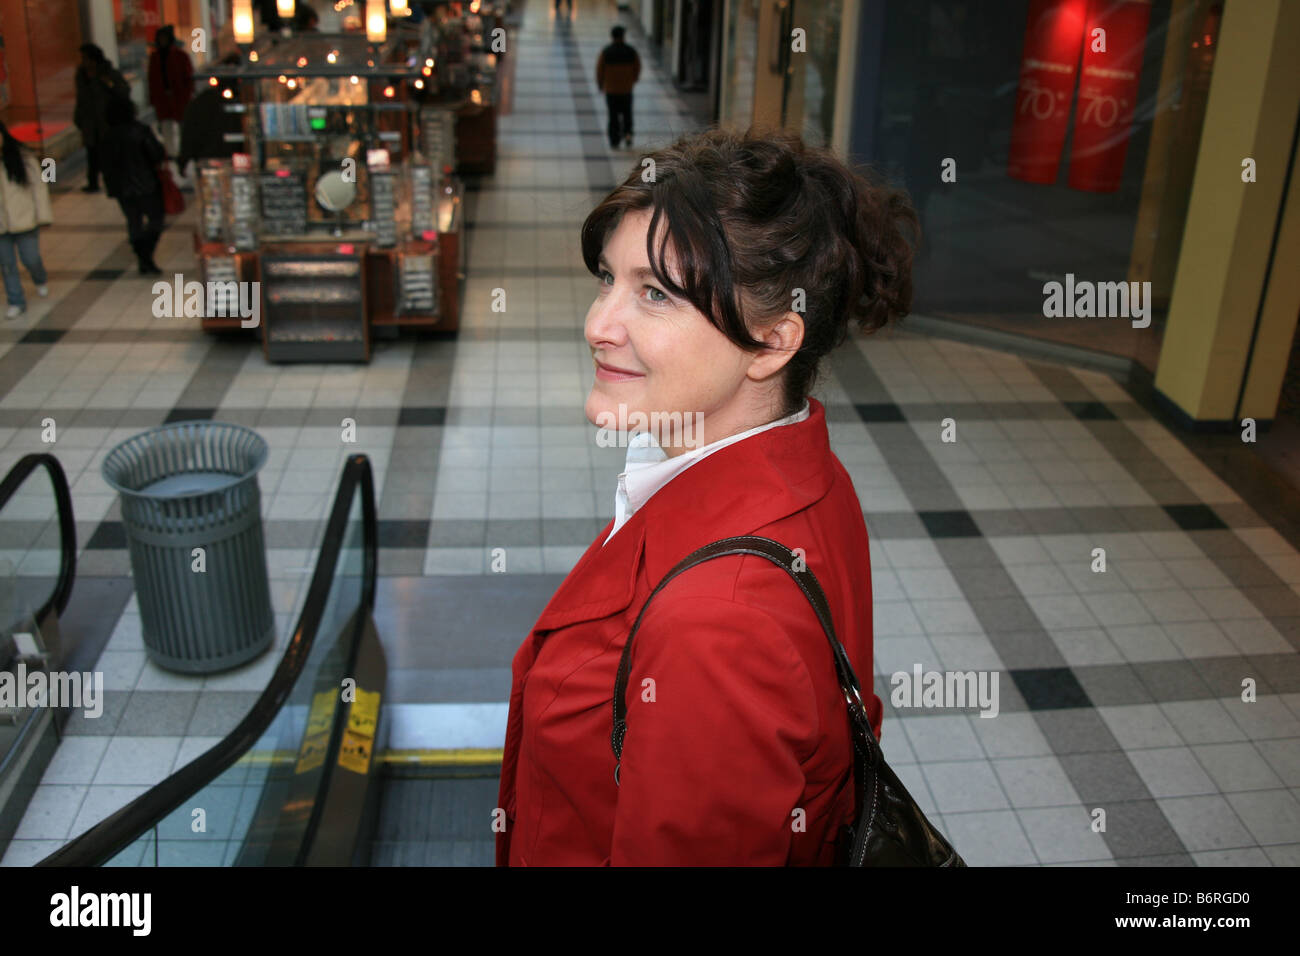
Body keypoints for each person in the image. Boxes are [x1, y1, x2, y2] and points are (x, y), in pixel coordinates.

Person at [495, 128, 919, 866]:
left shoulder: (716, 626)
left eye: (655, 294)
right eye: (608, 278)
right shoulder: (806, 470)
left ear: (773, 341)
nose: (598, 325)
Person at [99, 96, 167, 276]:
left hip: (121, 187)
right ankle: (146, 256)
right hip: (145, 184)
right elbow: (157, 153)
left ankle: (142, 257)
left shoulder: (107, 136)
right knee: (156, 219)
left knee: (133, 221)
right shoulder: (140, 131)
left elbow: (103, 163)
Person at [0, 121, 52, 319]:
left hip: (25, 220)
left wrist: (43, 215)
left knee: (31, 259)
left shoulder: (24, 158)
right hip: (1, 225)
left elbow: (39, 188)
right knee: (6, 265)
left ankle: (40, 278)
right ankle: (16, 301)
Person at [177, 54, 244, 181]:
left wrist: (184, 159)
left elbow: (189, 132)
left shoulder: (201, 101)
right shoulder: (240, 101)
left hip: (208, 158)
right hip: (226, 158)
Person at [74, 44, 130, 193]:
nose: (84, 62)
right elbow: (81, 99)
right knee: (92, 154)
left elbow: (123, 91)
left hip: (107, 121)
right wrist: (79, 118)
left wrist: (108, 84)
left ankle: (112, 180)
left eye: (86, 58)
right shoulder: (81, 76)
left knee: (109, 154)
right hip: (90, 122)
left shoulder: (108, 73)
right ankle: (93, 182)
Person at [147, 26, 194, 160]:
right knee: (167, 126)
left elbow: (187, 77)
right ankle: (171, 152)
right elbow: (152, 79)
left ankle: (182, 151)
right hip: (163, 98)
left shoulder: (180, 56)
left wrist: (186, 93)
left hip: (178, 97)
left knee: (181, 126)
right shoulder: (156, 57)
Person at [596, 26, 640, 149]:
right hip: (626, 90)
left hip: (611, 91)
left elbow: (600, 70)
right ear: (623, 36)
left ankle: (614, 140)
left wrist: (601, 84)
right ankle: (628, 135)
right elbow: (637, 67)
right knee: (627, 114)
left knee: (613, 115)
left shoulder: (606, 52)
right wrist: (633, 80)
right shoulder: (631, 51)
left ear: (612, 36)